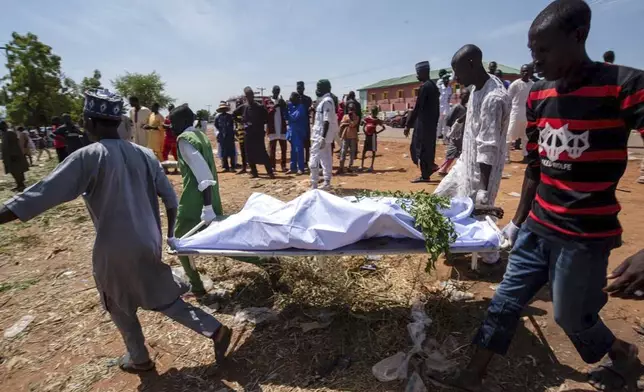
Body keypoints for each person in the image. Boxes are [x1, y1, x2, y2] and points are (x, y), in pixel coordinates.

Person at [448, 1, 644, 391]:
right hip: (539, 225)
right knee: (504, 302)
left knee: (570, 317)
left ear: (579, 36)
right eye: (532, 51)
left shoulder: (625, 86)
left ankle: (622, 354)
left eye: (545, 50)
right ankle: (470, 378)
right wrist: (518, 223)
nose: (536, 61)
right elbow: (535, 170)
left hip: (585, 235)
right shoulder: (538, 97)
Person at [0, 89, 231, 373]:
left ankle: (139, 357)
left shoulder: (88, 156)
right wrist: (171, 236)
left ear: (92, 123)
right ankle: (215, 329)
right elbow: (170, 199)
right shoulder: (145, 155)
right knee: (160, 292)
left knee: (116, 301)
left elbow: (41, 194)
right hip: (149, 240)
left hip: (114, 247)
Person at [434, 44, 510, 265]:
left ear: (472, 64)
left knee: (479, 217)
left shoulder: (493, 98)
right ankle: (457, 244)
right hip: (464, 163)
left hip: (481, 171)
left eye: (458, 71)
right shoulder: (477, 89)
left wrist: (484, 189)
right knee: (439, 200)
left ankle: (493, 255)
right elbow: (475, 122)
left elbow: (488, 146)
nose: (456, 77)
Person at [172, 103, 224, 299]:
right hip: (210, 197)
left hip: (195, 202)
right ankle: (265, 263)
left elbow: (203, 175)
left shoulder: (184, 140)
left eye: (174, 122)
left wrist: (207, 207)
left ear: (183, 122)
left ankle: (196, 286)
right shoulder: (200, 135)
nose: (171, 127)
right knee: (220, 240)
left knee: (179, 240)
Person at [404, 61, 440, 183]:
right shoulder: (434, 86)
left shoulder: (425, 87)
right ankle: (429, 168)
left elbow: (418, 107)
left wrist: (408, 125)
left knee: (418, 148)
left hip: (423, 124)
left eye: (418, 73)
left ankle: (426, 173)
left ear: (424, 72)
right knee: (428, 148)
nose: (417, 75)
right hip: (431, 124)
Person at [232, 87, 275, 179]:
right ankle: (254, 172)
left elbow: (266, 118)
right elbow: (234, 114)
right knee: (249, 153)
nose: (249, 97)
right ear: (246, 96)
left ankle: (270, 172)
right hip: (248, 133)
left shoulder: (259, 107)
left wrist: (259, 123)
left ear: (253, 96)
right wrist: (242, 121)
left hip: (258, 133)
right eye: (248, 96)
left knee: (262, 152)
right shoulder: (244, 107)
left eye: (251, 95)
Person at [309, 79, 339, 190]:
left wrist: (322, 136)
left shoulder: (326, 101)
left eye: (318, 87)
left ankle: (314, 184)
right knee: (326, 158)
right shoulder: (325, 101)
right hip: (323, 135)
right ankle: (326, 182)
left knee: (314, 158)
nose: (317, 89)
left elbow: (326, 120)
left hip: (320, 136)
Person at [437, 89, 470, 175]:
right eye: (464, 94)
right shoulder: (457, 107)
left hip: (463, 134)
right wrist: (451, 130)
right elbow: (448, 119)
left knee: (461, 151)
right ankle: (443, 169)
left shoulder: (467, 108)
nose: (466, 97)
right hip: (456, 133)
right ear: (460, 96)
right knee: (453, 150)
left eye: (468, 95)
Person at [506, 64, 535, 163]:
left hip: (527, 113)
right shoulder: (515, 84)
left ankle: (525, 155)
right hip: (515, 111)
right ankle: (506, 156)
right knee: (510, 134)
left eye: (527, 71)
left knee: (526, 136)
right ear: (520, 72)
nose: (525, 73)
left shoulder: (533, 85)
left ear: (530, 72)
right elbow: (508, 99)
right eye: (523, 71)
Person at [1, 121, 29, 191]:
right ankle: (18, 185)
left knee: (17, 170)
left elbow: (15, 144)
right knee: (12, 171)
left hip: (14, 155)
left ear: (5, 126)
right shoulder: (3, 134)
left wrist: (14, 154)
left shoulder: (10, 133)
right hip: (8, 156)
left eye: (2, 125)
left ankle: (21, 185)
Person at [266, 86, 288, 172]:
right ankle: (272, 166)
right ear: (272, 91)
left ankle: (283, 166)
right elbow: (267, 113)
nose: (277, 92)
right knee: (272, 149)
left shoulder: (281, 100)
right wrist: (275, 107)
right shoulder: (268, 101)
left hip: (281, 127)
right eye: (275, 91)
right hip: (272, 128)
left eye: (278, 91)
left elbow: (286, 112)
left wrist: (283, 105)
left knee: (284, 148)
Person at [285, 92, 307, 175]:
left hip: (298, 131)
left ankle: (301, 168)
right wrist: (285, 108)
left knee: (299, 150)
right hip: (291, 131)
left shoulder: (301, 107)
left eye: (293, 100)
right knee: (293, 150)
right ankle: (293, 167)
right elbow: (286, 117)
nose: (291, 102)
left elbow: (294, 117)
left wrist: (287, 110)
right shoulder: (291, 106)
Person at [337, 102, 359, 174]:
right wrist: (346, 123)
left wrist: (347, 122)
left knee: (352, 152)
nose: (351, 110)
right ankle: (341, 166)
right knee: (343, 151)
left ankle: (350, 166)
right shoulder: (345, 116)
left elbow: (352, 124)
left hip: (353, 137)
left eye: (352, 109)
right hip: (345, 136)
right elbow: (341, 124)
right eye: (350, 109)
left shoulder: (356, 117)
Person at [361, 107, 386, 172]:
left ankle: (371, 166)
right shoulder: (367, 118)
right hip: (367, 136)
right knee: (364, 150)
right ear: (371, 112)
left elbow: (383, 128)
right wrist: (364, 131)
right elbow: (364, 126)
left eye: (375, 112)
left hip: (373, 137)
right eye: (373, 112)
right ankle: (362, 165)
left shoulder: (377, 120)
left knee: (373, 151)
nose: (374, 113)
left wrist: (377, 133)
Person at [214, 102, 236, 172]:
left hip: (230, 136)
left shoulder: (230, 117)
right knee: (224, 152)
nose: (223, 110)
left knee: (231, 152)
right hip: (222, 137)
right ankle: (226, 167)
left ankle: (232, 167)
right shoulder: (218, 117)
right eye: (222, 109)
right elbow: (216, 125)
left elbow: (233, 125)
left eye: (224, 109)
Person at [296, 81, 313, 169]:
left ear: (304, 88)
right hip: (298, 124)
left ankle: (307, 161)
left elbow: (310, 109)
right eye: (298, 88)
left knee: (307, 144)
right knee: (299, 144)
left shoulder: (308, 99)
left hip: (305, 123)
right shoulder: (294, 99)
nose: (300, 90)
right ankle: (300, 161)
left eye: (301, 88)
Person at [232, 98, 248, 174]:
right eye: (238, 103)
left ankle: (250, 167)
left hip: (247, 134)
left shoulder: (246, 112)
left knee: (248, 151)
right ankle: (244, 167)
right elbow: (235, 126)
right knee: (243, 151)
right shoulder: (236, 114)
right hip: (240, 135)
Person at [437, 72, 453, 139]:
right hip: (440, 107)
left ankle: (445, 137)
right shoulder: (440, 87)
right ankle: (438, 135)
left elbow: (449, 97)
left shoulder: (449, 88)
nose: (449, 81)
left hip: (446, 107)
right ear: (445, 80)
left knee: (445, 122)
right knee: (440, 122)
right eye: (447, 80)